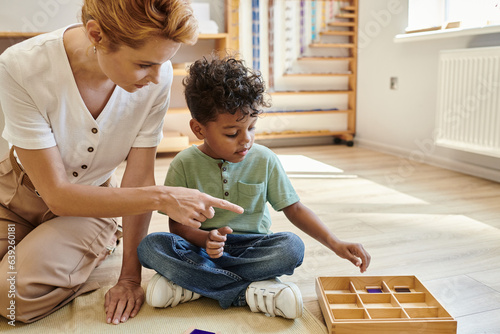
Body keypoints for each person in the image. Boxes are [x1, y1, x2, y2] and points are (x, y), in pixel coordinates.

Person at [0, 0, 243, 326]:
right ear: (97, 35)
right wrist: (165, 197)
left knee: (10, 295)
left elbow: (139, 175)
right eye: (144, 64)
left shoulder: (157, 77)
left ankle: (97, 239)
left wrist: (130, 278)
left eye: (163, 63)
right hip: (13, 196)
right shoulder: (21, 66)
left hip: (93, 203)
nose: (157, 78)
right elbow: (56, 193)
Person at [137, 55, 371, 320]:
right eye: (231, 133)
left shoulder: (265, 159)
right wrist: (205, 239)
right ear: (199, 129)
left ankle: (196, 285)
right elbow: (178, 227)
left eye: (251, 127)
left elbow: (294, 209)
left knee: (292, 248)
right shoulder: (183, 164)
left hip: (253, 248)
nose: (246, 139)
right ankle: (249, 291)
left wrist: (335, 242)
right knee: (151, 246)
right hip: (201, 250)